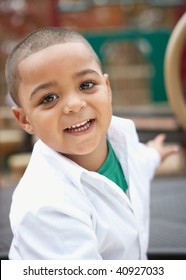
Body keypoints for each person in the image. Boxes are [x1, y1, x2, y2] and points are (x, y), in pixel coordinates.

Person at [5, 27, 178, 260]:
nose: (74, 104)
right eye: (48, 98)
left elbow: (137, 161)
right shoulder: (46, 205)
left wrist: (154, 154)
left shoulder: (121, 138)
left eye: (86, 85)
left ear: (107, 88)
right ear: (25, 120)